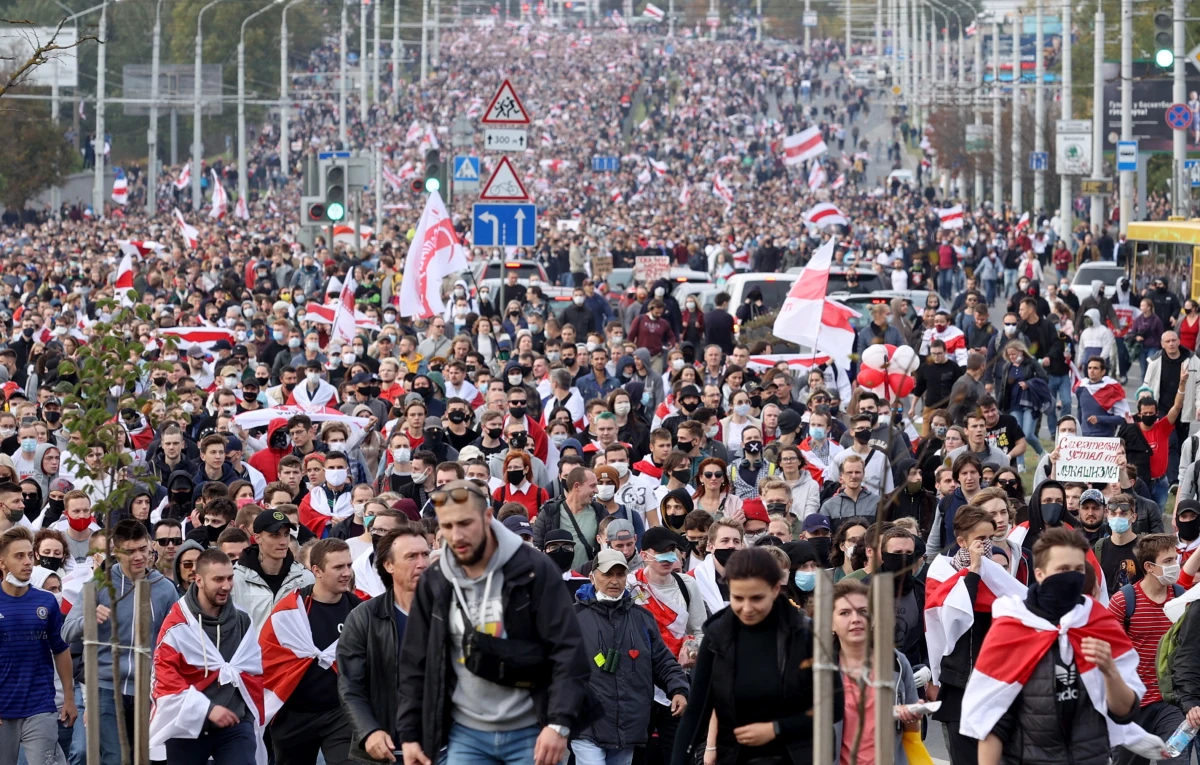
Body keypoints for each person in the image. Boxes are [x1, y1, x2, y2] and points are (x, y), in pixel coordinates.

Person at [395, 480, 590, 765]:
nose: (457, 535)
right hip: (465, 735)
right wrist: (410, 734)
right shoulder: (435, 580)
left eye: (465, 523)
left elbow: (568, 649)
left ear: (487, 517)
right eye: (447, 526)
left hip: (532, 732)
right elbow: (415, 660)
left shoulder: (534, 569)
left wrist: (558, 724)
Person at [961, 527, 1159, 765]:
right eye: (1063, 569)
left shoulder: (1099, 623)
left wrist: (1110, 671)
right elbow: (991, 721)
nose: (1072, 577)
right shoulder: (1012, 628)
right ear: (1040, 574)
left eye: (1078, 569)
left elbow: (1124, 711)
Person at [671, 547, 818, 765]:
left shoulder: (804, 635)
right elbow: (697, 710)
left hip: (794, 756)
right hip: (735, 756)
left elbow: (830, 706)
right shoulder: (717, 636)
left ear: (776, 589)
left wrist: (776, 728)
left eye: (757, 598)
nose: (747, 608)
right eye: (738, 598)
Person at [62, 519, 178, 765]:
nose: (138, 556)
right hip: (106, 687)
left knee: (144, 759)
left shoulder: (165, 589)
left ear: (150, 546)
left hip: (149, 689)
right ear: (115, 551)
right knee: (115, 759)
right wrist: (88, 619)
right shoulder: (99, 584)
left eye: (143, 549)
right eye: (130, 551)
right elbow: (67, 631)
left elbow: (177, 639)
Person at [924, 505, 1026, 765]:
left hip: (996, 686)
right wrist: (974, 572)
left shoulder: (997, 576)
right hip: (960, 687)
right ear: (962, 542)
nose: (986, 545)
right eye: (980, 539)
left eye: (990, 538)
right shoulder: (942, 574)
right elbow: (954, 618)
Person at [574, 548, 689, 765]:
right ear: (592, 577)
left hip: (628, 725)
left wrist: (678, 689)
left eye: (620, 574)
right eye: (607, 574)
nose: (614, 581)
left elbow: (662, 661)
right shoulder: (574, 617)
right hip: (586, 724)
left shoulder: (642, 618)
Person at [149, 548, 263, 765]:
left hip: (234, 725)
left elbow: (253, 670)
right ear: (199, 580)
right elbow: (165, 679)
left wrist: (247, 718)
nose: (226, 586)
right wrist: (207, 709)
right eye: (218, 579)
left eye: (230, 578)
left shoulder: (242, 621)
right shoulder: (177, 625)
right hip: (186, 728)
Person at [1106, 533, 1188, 765]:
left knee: (1176, 761)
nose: (1175, 565)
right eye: (1168, 561)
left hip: (1170, 703)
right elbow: (1109, 653)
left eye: (1176, 559)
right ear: (1149, 567)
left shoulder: (1181, 599)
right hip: (1133, 705)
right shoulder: (1123, 601)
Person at [0, 526, 77, 765]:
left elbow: (61, 649)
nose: (27, 562)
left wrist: (69, 698)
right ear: (2, 563)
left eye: (29, 555)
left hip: (40, 707)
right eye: (19, 556)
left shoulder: (47, 601)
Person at [832, 578, 924, 765]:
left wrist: (912, 717)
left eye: (863, 611)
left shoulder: (896, 663)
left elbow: (912, 731)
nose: (855, 619)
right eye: (845, 613)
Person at [231, 508, 315, 631]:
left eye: (286, 534)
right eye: (275, 535)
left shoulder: (305, 578)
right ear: (257, 537)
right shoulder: (236, 579)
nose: (283, 542)